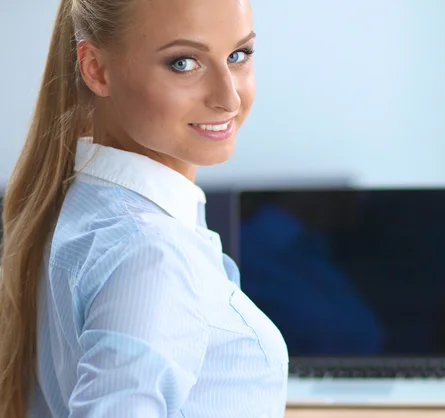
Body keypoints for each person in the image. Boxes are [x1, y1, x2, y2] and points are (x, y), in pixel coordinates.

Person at [0, 0, 288, 416]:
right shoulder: (150, 252)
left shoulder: (76, 206)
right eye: (184, 62)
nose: (229, 98)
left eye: (238, 55)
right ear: (96, 69)